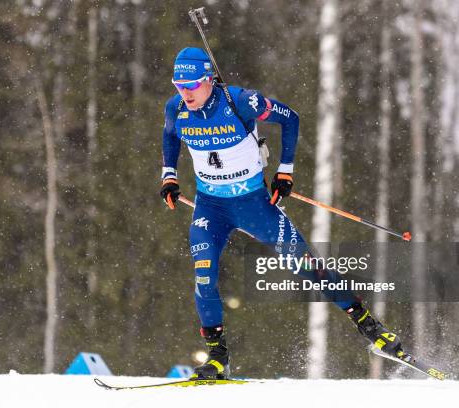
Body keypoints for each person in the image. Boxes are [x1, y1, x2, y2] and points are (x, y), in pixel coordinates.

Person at [160, 47, 403, 380]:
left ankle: (367, 323)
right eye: (178, 84)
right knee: (204, 277)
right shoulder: (176, 108)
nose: (184, 92)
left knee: (307, 269)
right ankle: (218, 357)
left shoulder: (240, 102)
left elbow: (290, 117)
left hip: (255, 206)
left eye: (191, 84)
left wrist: (285, 172)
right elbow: (170, 134)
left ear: (208, 79)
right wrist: (169, 174)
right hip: (210, 209)